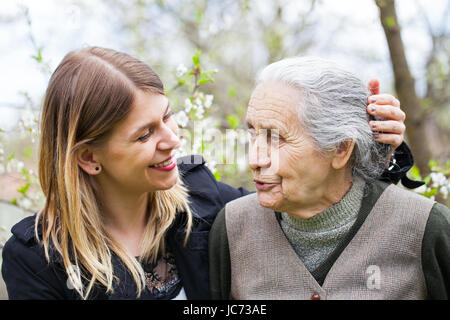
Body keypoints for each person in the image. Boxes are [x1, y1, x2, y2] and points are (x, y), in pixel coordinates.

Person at [2, 47, 409, 300]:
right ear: (89, 158)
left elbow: (311, 208)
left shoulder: (204, 199)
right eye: (145, 134)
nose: (172, 140)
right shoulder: (36, 259)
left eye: (167, 117)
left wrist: (371, 147)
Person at [209, 57, 450, 300]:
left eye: (277, 138)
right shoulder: (232, 229)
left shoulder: (426, 229)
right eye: (253, 134)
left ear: (340, 149)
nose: (255, 159)